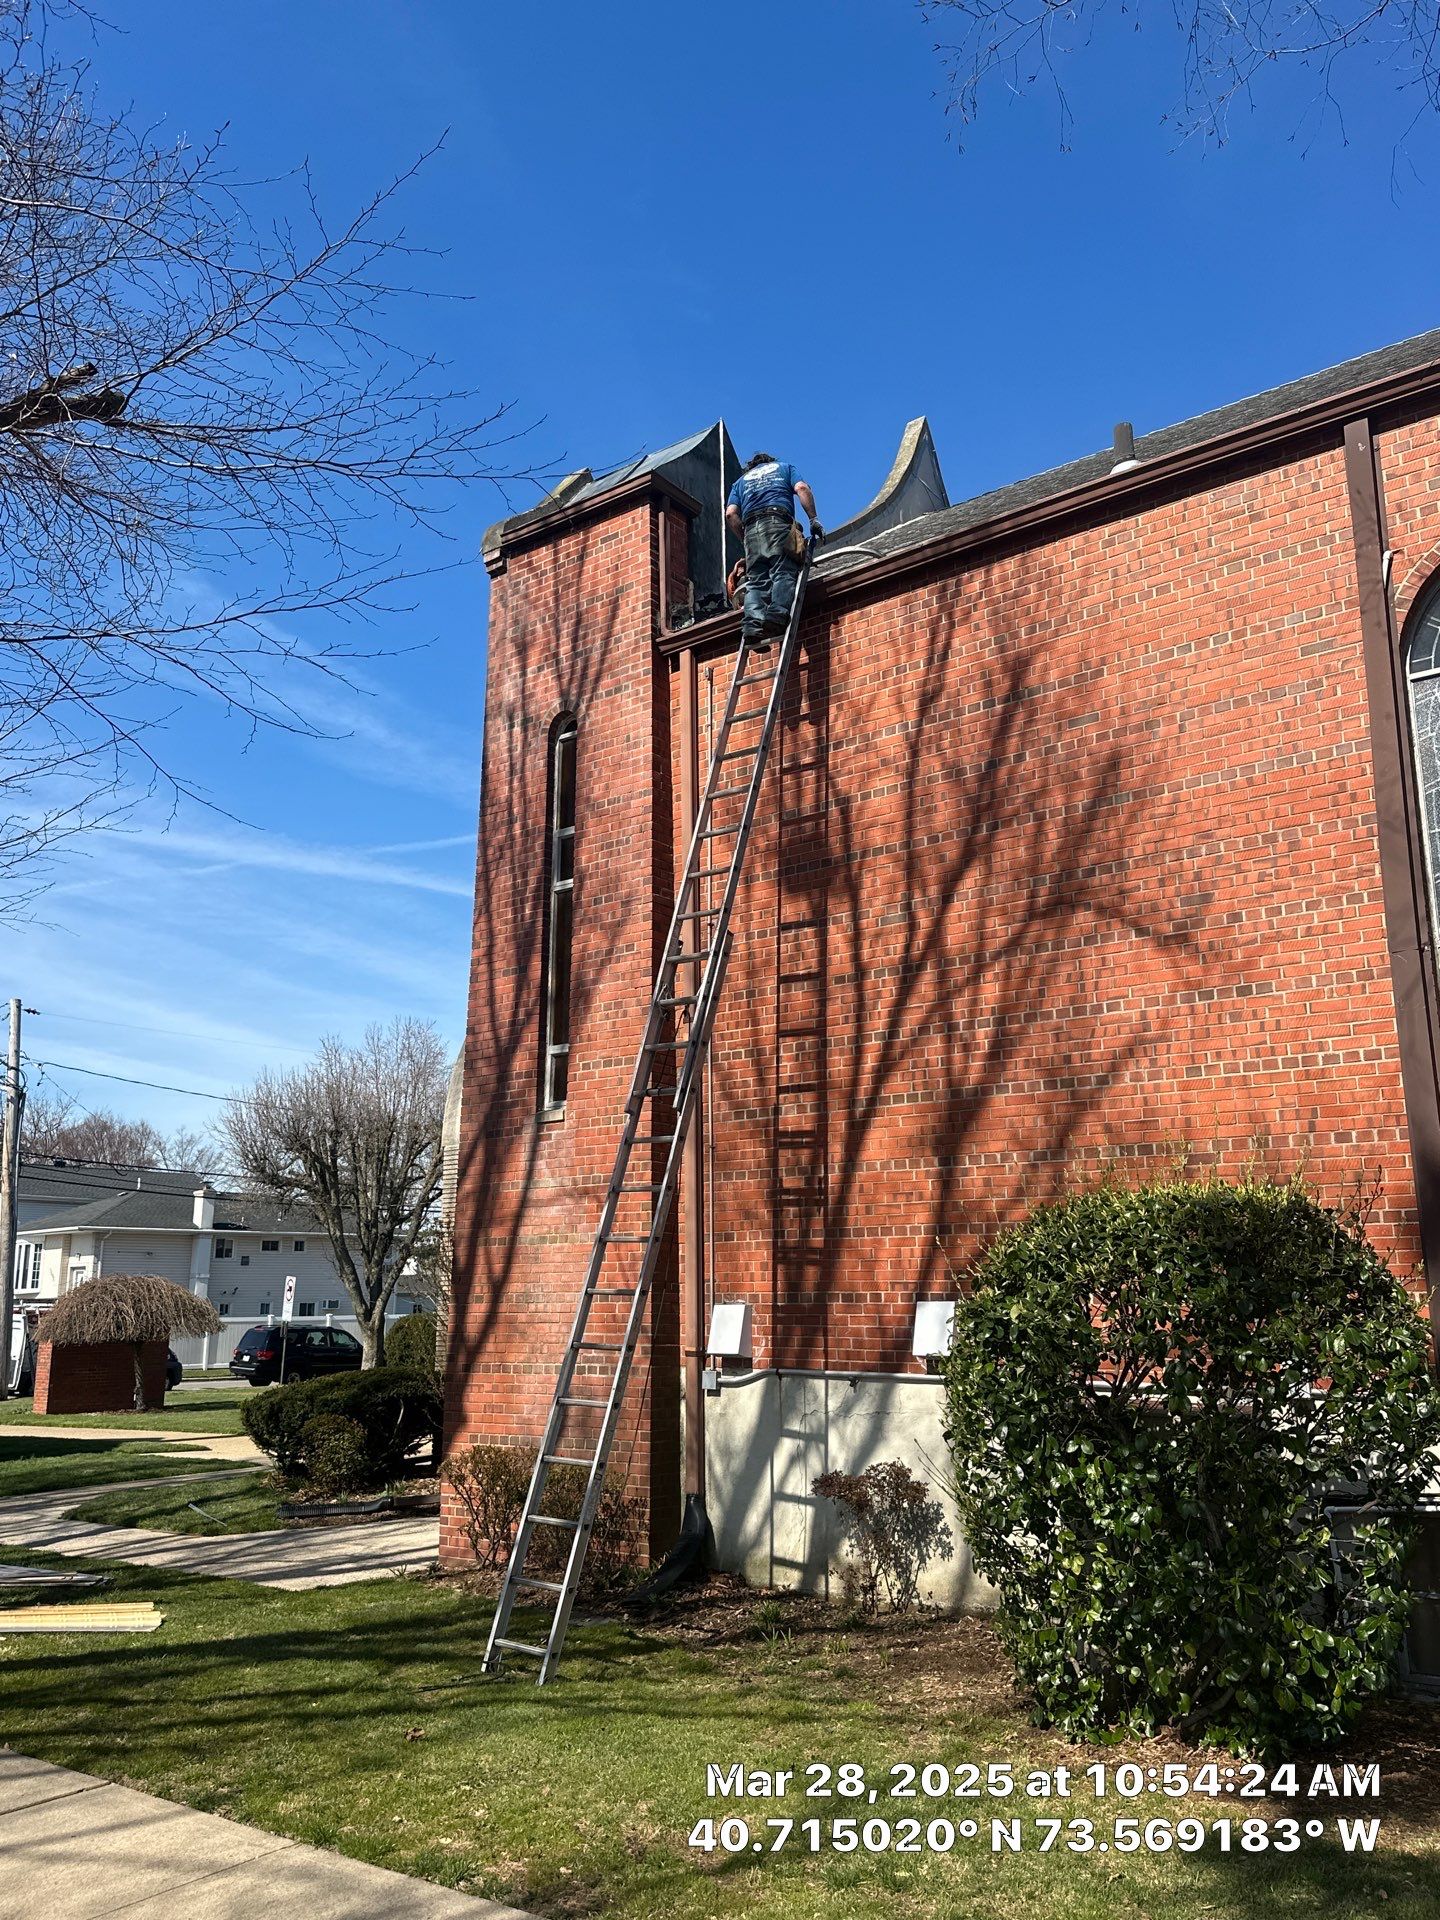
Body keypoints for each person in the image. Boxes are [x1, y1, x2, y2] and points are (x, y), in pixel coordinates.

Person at [724, 453, 823, 647]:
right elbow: (802, 488)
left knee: (757, 581)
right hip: (778, 522)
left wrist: (745, 538)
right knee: (783, 571)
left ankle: (752, 625)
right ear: (770, 462)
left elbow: (730, 514)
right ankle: (776, 616)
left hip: (751, 528)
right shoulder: (785, 468)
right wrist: (813, 519)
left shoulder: (740, 482)